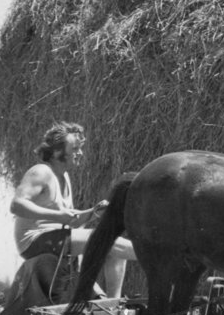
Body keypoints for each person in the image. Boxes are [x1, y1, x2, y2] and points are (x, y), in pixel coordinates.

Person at [11, 122, 136, 299]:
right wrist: (57, 215)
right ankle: (161, 253)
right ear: (56, 152)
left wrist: (94, 212)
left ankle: (113, 302)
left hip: (54, 238)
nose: (80, 153)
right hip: (34, 242)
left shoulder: (64, 176)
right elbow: (17, 205)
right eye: (75, 149)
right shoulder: (41, 172)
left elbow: (72, 220)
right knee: (108, 240)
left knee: (111, 244)